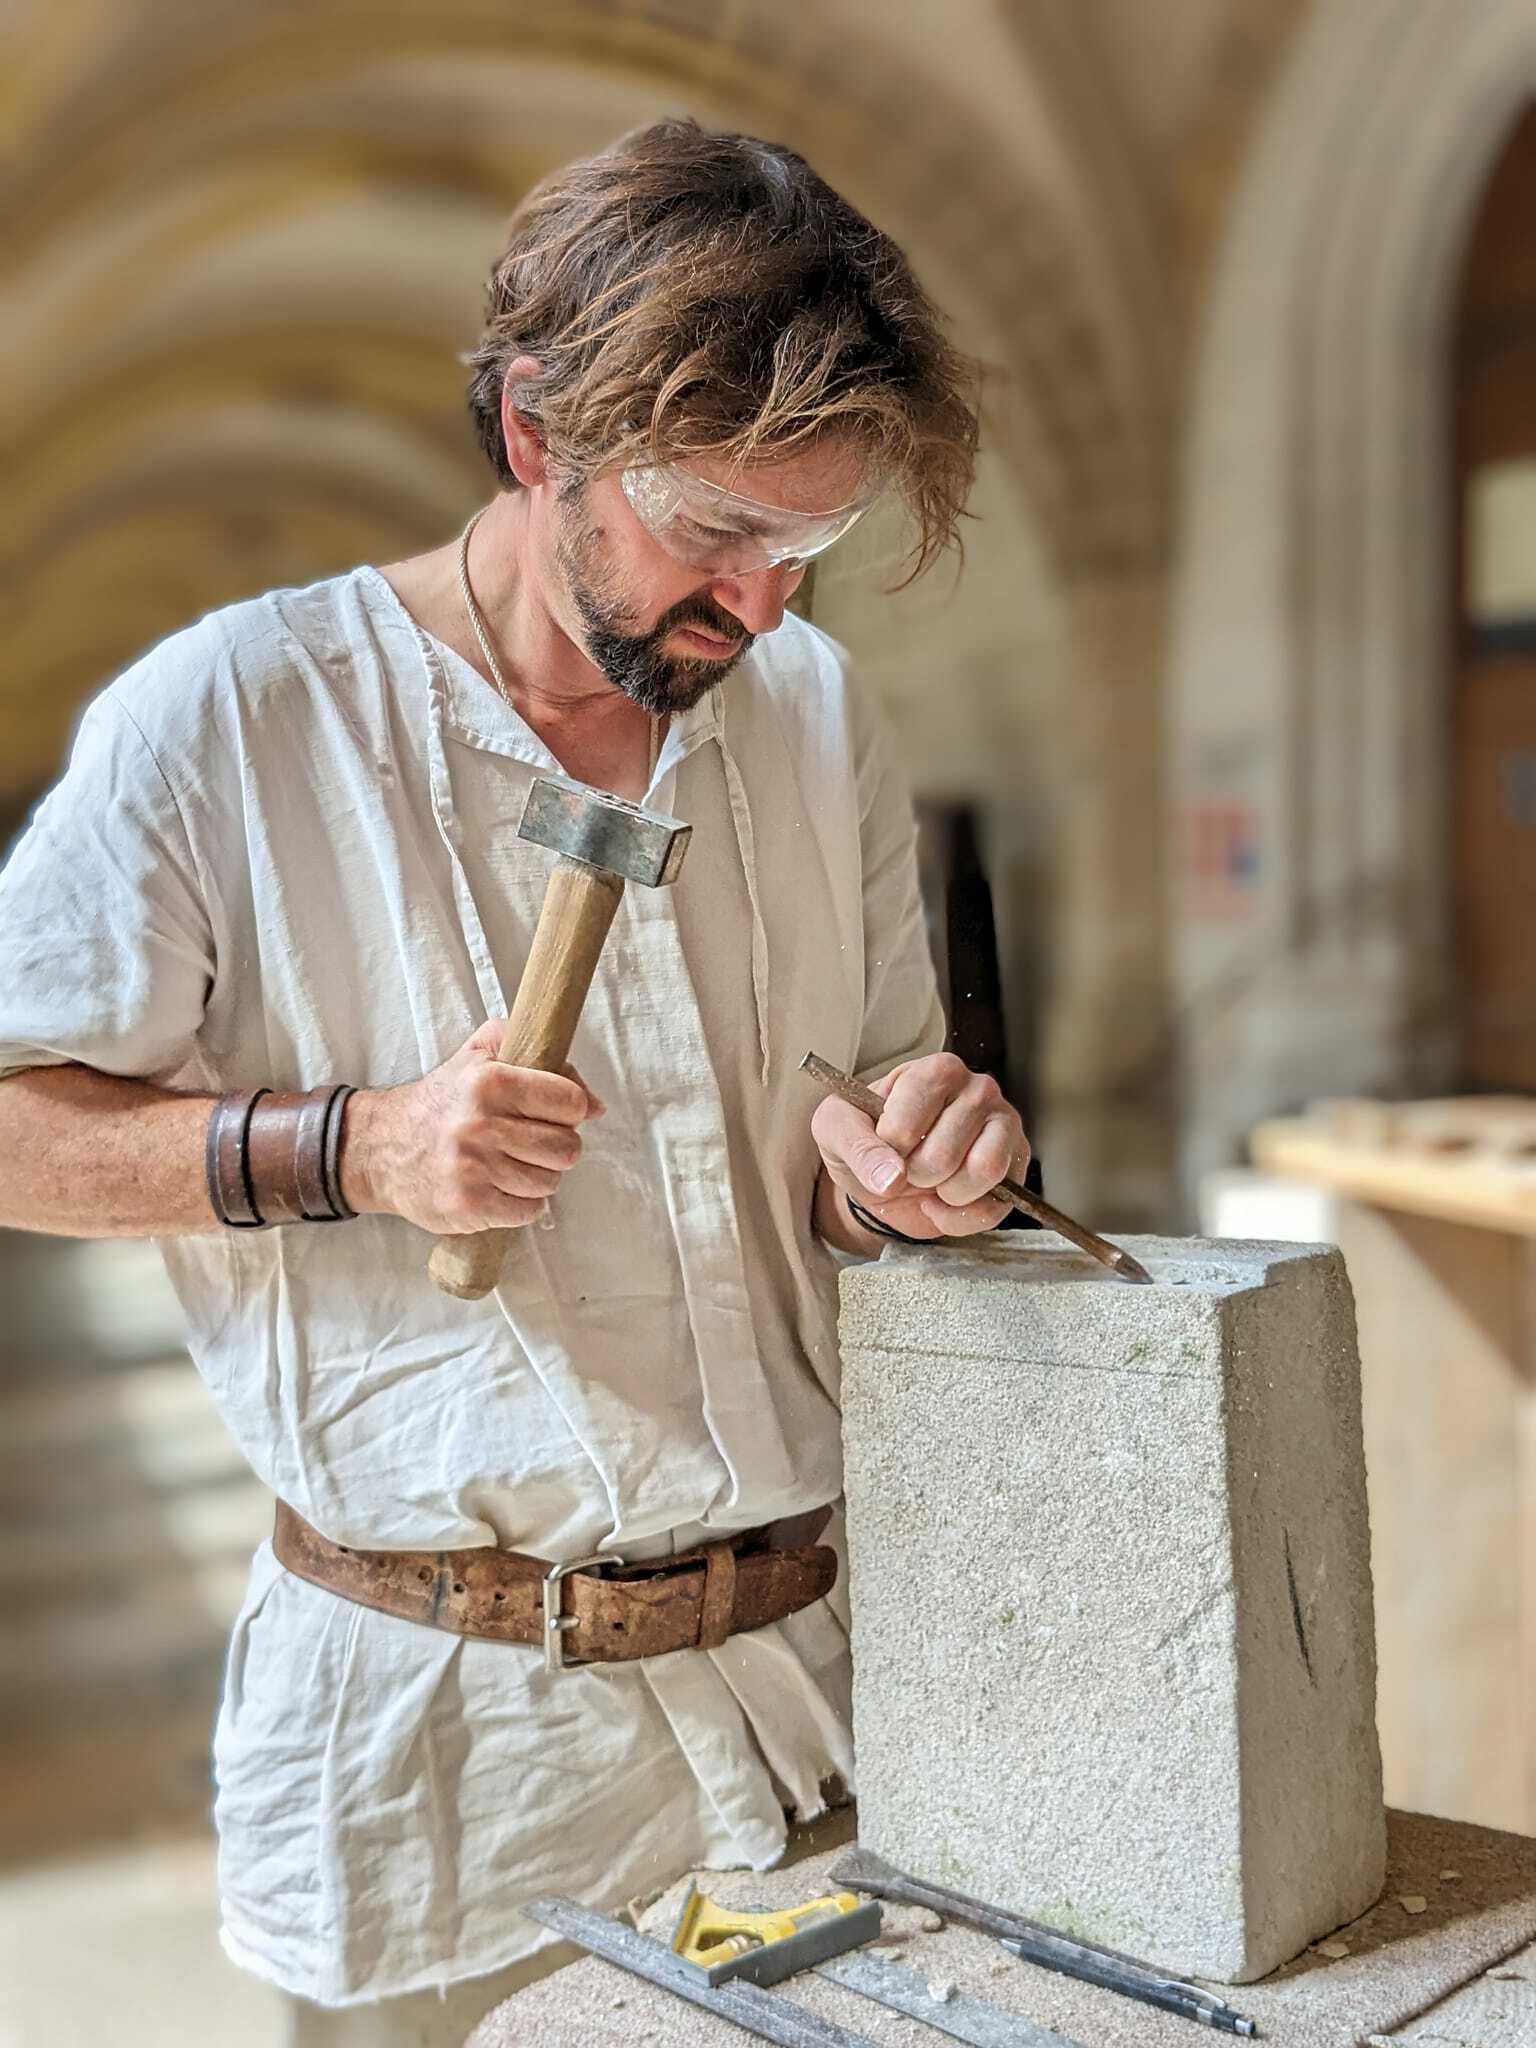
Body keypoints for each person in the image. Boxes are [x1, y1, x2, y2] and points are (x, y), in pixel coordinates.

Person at [0, 117, 1031, 2041]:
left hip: (823, 1709)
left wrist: (911, 1154)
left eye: (809, 545)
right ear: (538, 432)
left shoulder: (808, 713)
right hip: (462, 1761)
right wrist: (357, 1146)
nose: (768, 609)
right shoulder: (232, 718)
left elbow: (859, 1104)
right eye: (717, 535)